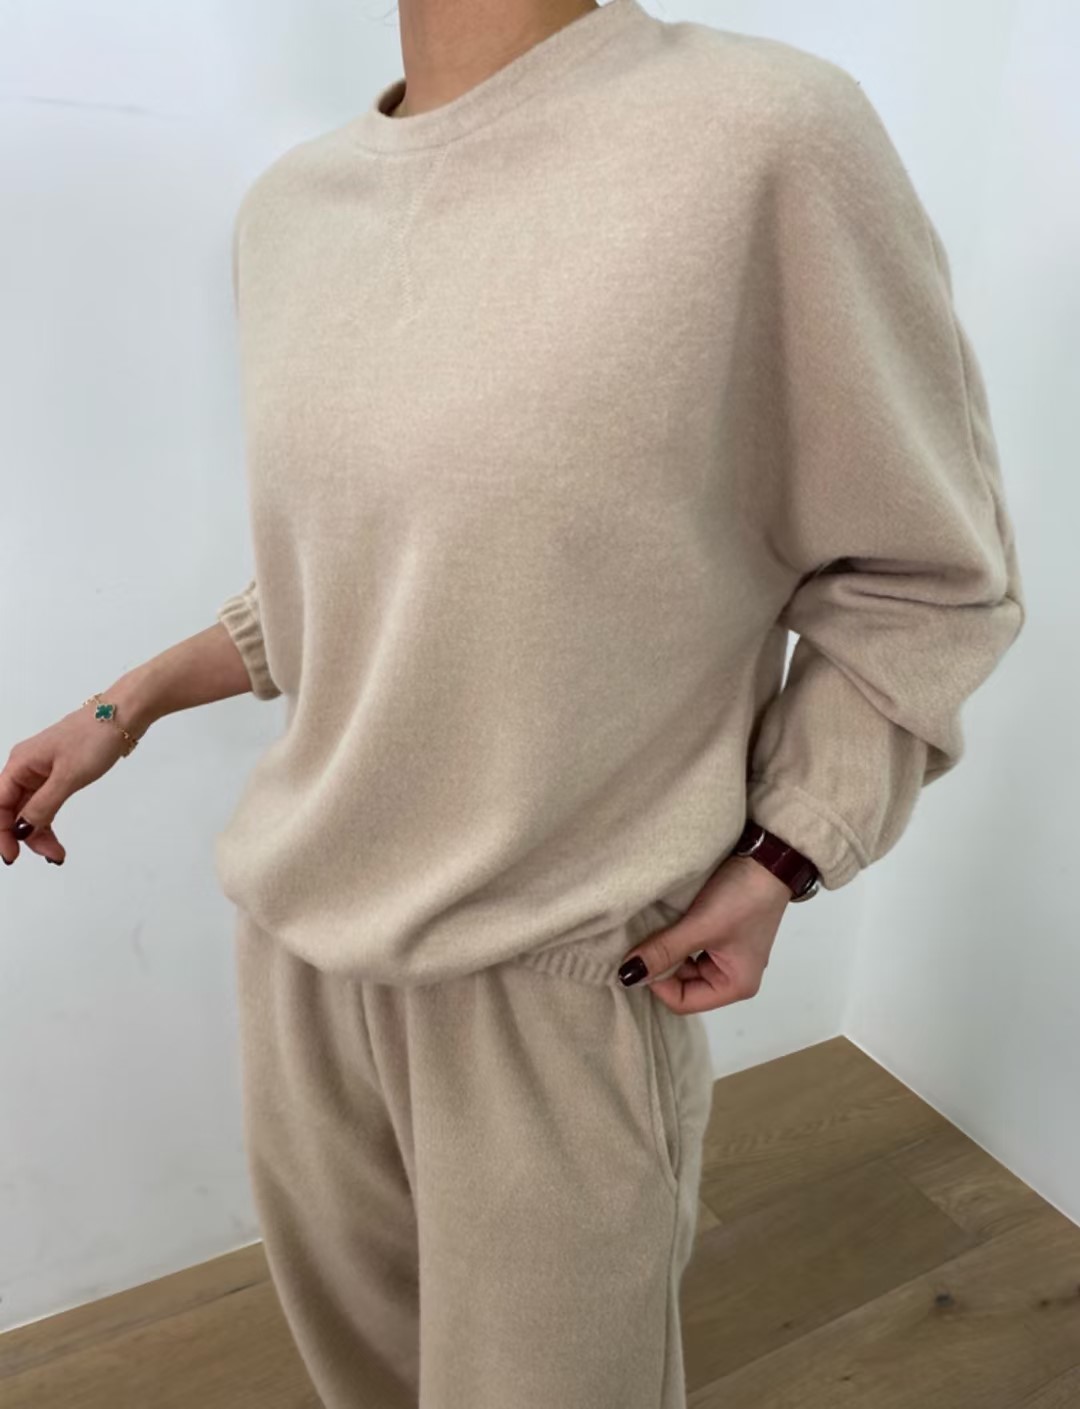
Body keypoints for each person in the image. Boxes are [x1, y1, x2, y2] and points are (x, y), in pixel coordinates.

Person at [1, 0, 1025, 1404]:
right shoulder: (291, 212)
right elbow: (380, 575)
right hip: (299, 965)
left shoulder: (763, 139)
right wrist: (122, 708)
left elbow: (930, 579)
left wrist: (791, 845)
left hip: (561, 988)